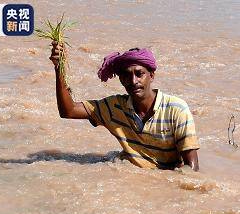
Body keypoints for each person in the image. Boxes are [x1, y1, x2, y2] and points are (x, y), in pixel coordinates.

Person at [49, 41, 200, 171]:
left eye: (139, 74)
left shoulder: (177, 109)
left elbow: (192, 168)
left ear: (152, 75)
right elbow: (68, 111)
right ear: (121, 80)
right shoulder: (114, 107)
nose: (133, 81)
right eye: (127, 75)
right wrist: (59, 67)